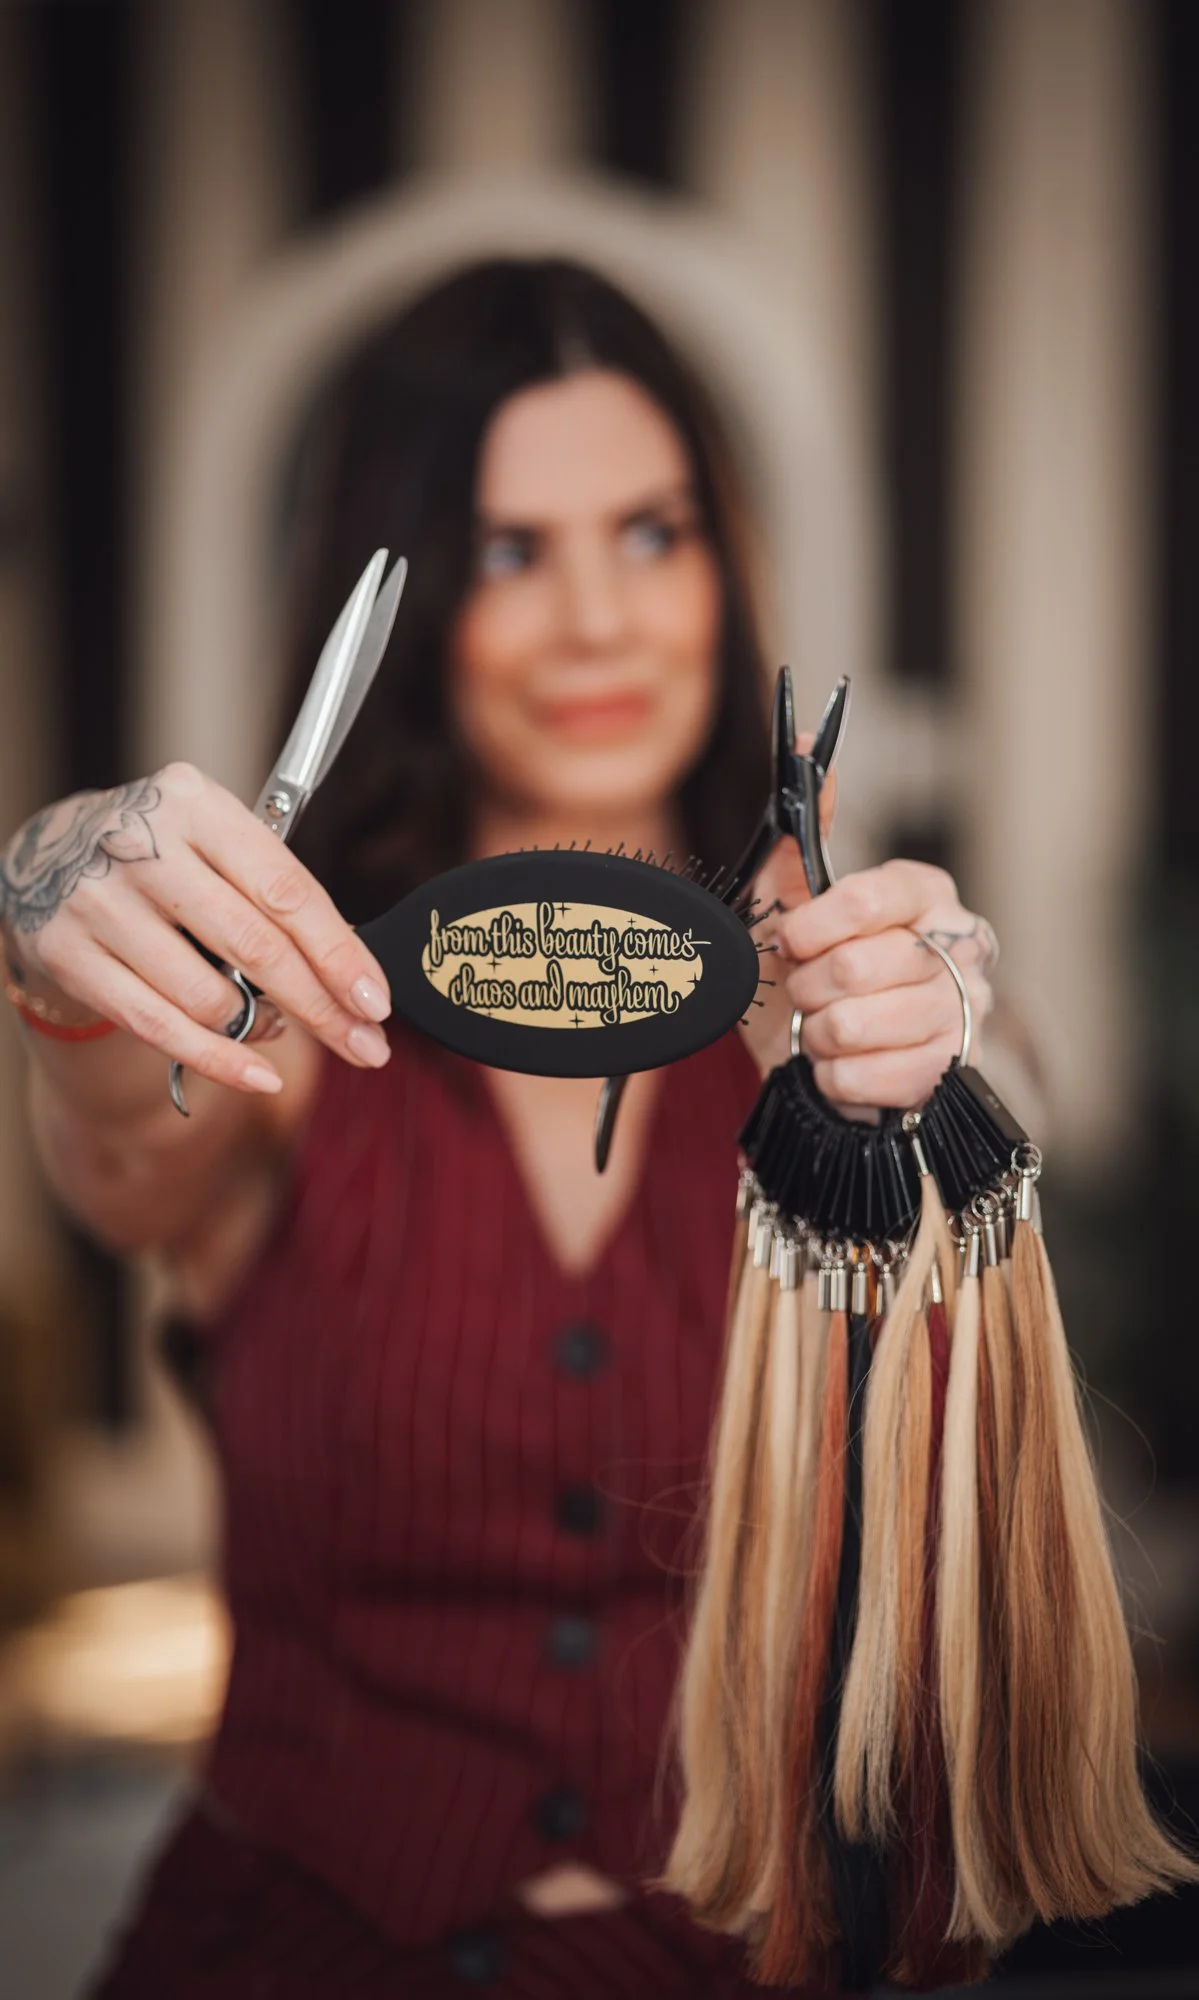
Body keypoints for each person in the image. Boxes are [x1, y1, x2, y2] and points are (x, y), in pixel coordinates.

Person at [1, 260, 1001, 1997]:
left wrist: (940, 1091)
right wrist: (54, 902)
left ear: (723, 566)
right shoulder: (278, 1015)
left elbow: (969, 1520)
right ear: (401, 600)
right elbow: (113, 1148)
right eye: (509, 552)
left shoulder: (862, 1003)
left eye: (651, 532)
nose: (598, 621)